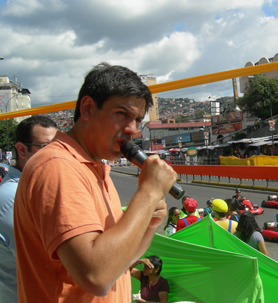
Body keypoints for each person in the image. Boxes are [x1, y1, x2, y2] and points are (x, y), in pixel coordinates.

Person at [13, 63, 178, 302]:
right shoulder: (57, 166)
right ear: (88, 108)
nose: (132, 129)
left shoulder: (95, 169)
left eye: (138, 120)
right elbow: (97, 276)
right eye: (122, 114)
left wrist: (150, 222)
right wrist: (149, 192)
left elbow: (119, 261)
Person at [0, 116, 57, 302]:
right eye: (47, 148)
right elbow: (53, 264)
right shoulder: (15, 197)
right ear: (22, 150)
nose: (57, 155)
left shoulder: (30, 189)